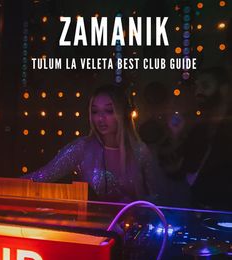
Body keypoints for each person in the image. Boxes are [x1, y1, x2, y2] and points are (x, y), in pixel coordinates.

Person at [22, 84, 155, 202]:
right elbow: (42, 176)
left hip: (134, 226)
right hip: (96, 226)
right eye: (95, 111)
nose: (100, 118)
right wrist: (6, 186)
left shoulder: (140, 151)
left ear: (123, 113)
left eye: (109, 111)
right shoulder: (82, 148)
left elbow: (159, 197)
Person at [182, 67, 232, 210]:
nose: (198, 92)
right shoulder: (197, 129)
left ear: (224, 90)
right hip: (199, 214)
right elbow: (186, 175)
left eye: (205, 86)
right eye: (196, 86)